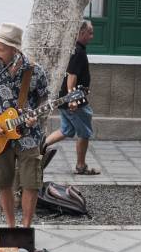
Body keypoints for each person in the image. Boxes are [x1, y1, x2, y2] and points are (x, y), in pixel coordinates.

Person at [0, 22, 49, 227]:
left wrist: (35, 116)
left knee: (31, 183)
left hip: (29, 135)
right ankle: (10, 227)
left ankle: (25, 229)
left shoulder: (35, 71)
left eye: (0, 49)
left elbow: (44, 101)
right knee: (3, 182)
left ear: (15, 50)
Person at [43, 21, 101, 175]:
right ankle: (81, 166)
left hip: (67, 98)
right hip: (74, 100)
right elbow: (72, 75)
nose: (92, 36)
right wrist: (72, 98)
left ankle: (39, 147)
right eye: (90, 33)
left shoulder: (74, 49)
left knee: (66, 130)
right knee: (85, 133)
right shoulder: (78, 51)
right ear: (81, 33)